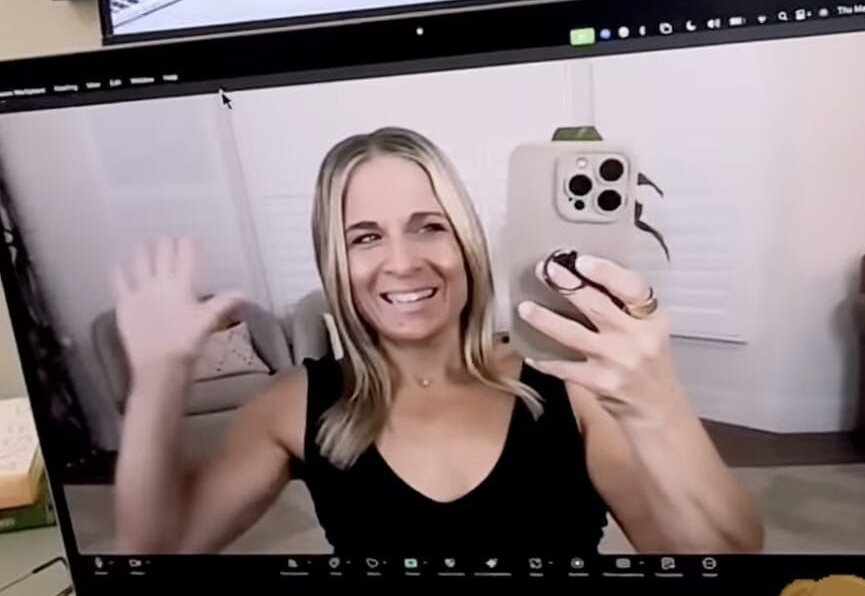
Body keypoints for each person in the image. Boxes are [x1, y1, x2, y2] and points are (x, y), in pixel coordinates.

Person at [112, 126, 762, 559]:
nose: (401, 261)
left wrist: (657, 399)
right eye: (365, 237)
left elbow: (722, 561)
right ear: (333, 260)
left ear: (466, 243)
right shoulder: (288, 407)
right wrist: (157, 382)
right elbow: (155, 556)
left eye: (429, 227)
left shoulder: (567, 382)